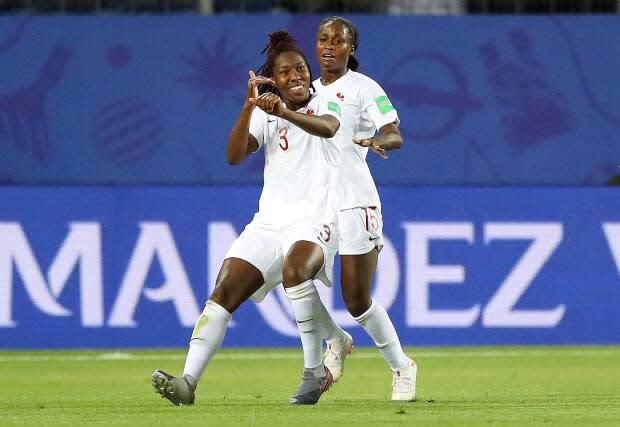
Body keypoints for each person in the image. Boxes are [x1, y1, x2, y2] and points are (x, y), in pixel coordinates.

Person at [151, 30, 350, 406]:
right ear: (273, 79)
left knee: (295, 273)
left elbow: (328, 129)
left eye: (301, 69)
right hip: (269, 222)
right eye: (286, 72)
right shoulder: (267, 113)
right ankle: (187, 383)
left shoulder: (330, 99)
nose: (296, 76)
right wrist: (249, 110)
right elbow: (234, 156)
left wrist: (285, 112)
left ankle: (313, 372)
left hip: (316, 217)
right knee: (223, 291)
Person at [314, 16, 418, 401]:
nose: (328, 46)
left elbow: (395, 133)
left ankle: (401, 366)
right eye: (322, 39)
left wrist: (379, 139)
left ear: (350, 49)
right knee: (293, 273)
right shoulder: (305, 91)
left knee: (356, 300)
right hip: (315, 205)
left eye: (337, 41)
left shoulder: (364, 88)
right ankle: (335, 341)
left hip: (355, 199)